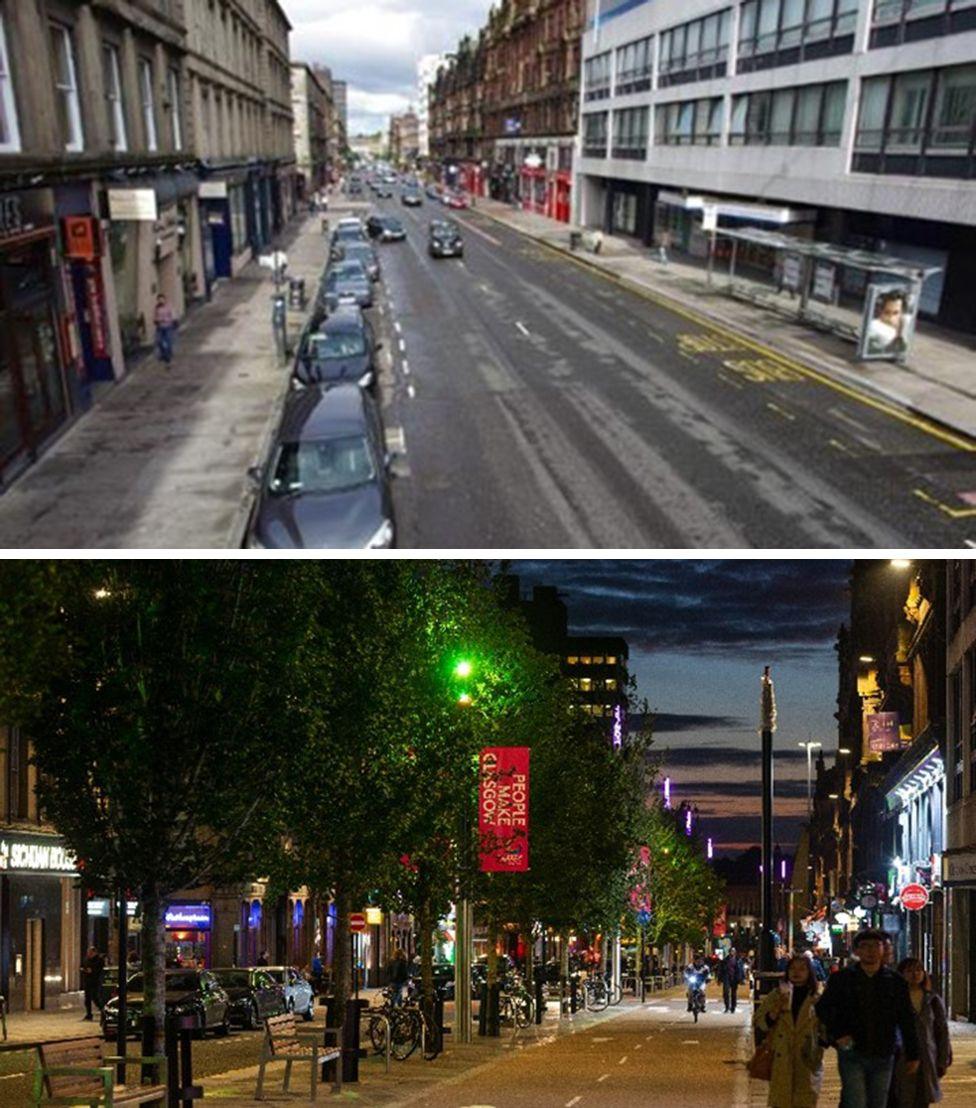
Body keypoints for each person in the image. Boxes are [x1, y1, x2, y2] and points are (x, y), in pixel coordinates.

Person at [815, 929, 920, 1108]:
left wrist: (913, 1053)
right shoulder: (842, 979)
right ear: (856, 951)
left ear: (883, 949)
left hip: (883, 1051)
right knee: (856, 1100)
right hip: (852, 1050)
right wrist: (838, 1034)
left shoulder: (895, 981)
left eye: (876, 946)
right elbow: (823, 1008)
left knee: (878, 1101)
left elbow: (906, 1018)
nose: (871, 950)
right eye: (865, 946)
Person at [753, 954, 825, 1108]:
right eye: (792, 968)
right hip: (781, 1057)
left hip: (807, 1059)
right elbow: (760, 1023)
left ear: (809, 972)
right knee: (781, 1100)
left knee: (805, 1100)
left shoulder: (817, 998)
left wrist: (819, 1046)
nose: (796, 972)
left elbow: (826, 1027)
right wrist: (775, 1011)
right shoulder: (777, 995)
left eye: (802, 969)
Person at [892, 958, 951, 1108]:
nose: (915, 974)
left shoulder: (932, 1000)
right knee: (901, 1098)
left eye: (919, 970)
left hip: (927, 1057)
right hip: (902, 1058)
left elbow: (942, 1031)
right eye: (910, 971)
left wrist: (943, 1059)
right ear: (901, 974)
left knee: (922, 1098)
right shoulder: (895, 998)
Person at [865, 290, 911, 357]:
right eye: (887, 312)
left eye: (895, 313)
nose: (891, 318)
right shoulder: (874, 326)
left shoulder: (907, 322)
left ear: (902, 313)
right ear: (881, 311)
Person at [81, 946, 105, 1021]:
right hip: (87, 981)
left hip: (95, 981)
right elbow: (83, 966)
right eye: (88, 952)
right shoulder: (86, 959)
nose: (89, 954)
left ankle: (103, 1011)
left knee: (95, 997)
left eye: (91, 952)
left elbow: (100, 970)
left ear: (95, 952)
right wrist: (84, 970)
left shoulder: (99, 960)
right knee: (87, 998)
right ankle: (89, 1014)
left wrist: (92, 971)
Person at [721, 947, 746, 1013]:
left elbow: (741, 970)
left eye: (733, 951)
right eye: (731, 951)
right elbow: (721, 970)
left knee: (733, 993)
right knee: (726, 992)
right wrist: (719, 979)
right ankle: (727, 1007)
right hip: (727, 977)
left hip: (735, 978)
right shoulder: (725, 960)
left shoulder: (738, 960)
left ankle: (733, 1007)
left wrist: (742, 978)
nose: (732, 952)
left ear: (735, 952)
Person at [153, 294, 176, 366]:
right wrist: (157, 320)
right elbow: (155, 317)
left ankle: (168, 356)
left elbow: (173, 315)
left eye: (162, 299)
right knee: (159, 341)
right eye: (159, 299)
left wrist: (168, 320)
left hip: (168, 326)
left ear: (165, 299)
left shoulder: (169, 307)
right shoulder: (157, 308)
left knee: (168, 341)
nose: (161, 301)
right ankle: (163, 353)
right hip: (160, 327)